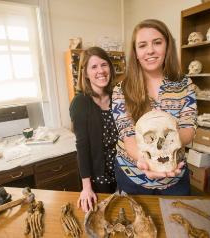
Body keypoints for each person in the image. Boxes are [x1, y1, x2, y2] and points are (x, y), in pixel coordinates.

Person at [112, 19, 197, 195]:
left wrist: (168, 141)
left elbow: (189, 128)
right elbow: (128, 136)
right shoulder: (121, 90)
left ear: (167, 46)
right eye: (142, 45)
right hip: (132, 176)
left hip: (175, 176)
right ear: (135, 52)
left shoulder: (185, 84)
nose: (150, 50)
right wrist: (146, 161)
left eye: (157, 43)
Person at [70, 47, 118, 212]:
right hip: (99, 177)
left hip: (122, 172)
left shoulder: (117, 97)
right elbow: (82, 147)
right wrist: (86, 187)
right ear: (85, 73)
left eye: (104, 65)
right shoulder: (80, 103)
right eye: (94, 67)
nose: (101, 71)